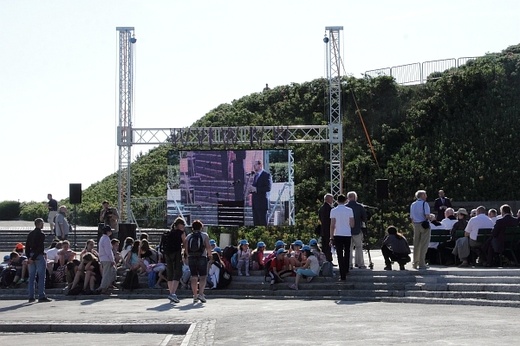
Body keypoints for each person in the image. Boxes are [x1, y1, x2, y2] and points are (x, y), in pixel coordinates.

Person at [184, 220, 212, 304]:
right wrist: (210, 255)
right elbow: (208, 247)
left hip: (191, 257)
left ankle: (195, 295)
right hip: (202, 257)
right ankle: (201, 294)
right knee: (203, 276)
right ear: (201, 227)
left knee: (194, 276)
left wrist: (187, 257)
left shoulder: (188, 236)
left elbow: (186, 249)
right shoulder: (204, 235)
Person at [160, 217, 186, 303]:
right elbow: (185, 244)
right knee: (178, 273)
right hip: (176, 253)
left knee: (170, 273)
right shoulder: (181, 233)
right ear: (179, 225)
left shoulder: (167, 233)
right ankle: (173, 293)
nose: (184, 226)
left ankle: (171, 292)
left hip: (167, 254)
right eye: (183, 225)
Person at [25, 218, 51, 303]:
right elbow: (40, 247)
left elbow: (27, 246)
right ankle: (41, 295)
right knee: (41, 276)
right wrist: (33, 258)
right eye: (42, 223)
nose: (43, 225)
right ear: (39, 224)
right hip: (38, 256)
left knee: (31, 277)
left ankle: (31, 296)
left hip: (31, 255)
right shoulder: (41, 234)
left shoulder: (30, 234)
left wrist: (29, 257)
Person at [329, 194, 355, 280]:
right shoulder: (349, 210)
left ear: (337, 200)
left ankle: (342, 274)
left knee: (339, 254)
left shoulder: (333, 210)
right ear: (345, 200)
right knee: (347, 252)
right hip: (347, 234)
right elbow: (352, 224)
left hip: (338, 234)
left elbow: (332, 225)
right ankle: (346, 269)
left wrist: (331, 237)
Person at [410, 190, 431, 270]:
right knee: (424, 244)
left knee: (416, 244)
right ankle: (422, 263)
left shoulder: (413, 204)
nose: (426, 196)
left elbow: (411, 217)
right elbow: (427, 215)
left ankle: (415, 263)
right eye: (425, 195)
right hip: (424, 225)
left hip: (416, 225)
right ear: (422, 195)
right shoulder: (424, 204)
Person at [346, 191, 368, 269]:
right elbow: (364, 218)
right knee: (359, 247)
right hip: (357, 230)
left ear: (348, 198)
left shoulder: (345, 207)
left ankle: (349, 264)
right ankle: (359, 263)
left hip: (347, 231)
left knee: (349, 248)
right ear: (355, 197)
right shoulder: (359, 207)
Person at [249, 160, 272, 226]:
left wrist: (256, 189)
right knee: (256, 223)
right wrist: (251, 190)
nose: (254, 167)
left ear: (260, 165)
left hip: (262, 204)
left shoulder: (266, 175)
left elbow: (268, 188)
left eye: (255, 165)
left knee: (262, 223)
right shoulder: (256, 176)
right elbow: (255, 188)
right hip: (255, 204)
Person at [96, 225, 116, 295]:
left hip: (102, 258)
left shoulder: (102, 238)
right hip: (107, 258)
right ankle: (103, 288)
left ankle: (103, 287)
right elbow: (108, 251)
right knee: (107, 274)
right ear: (108, 232)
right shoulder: (106, 239)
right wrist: (112, 260)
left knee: (105, 273)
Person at [318, 193, 334, 262]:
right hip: (328, 230)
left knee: (324, 246)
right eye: (331, 199)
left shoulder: (321, 208)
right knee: (328, 246)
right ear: (328, 199)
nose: (333, 200)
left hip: (323, 230)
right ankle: (328, 260)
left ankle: (325, 260)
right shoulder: (329, 209)